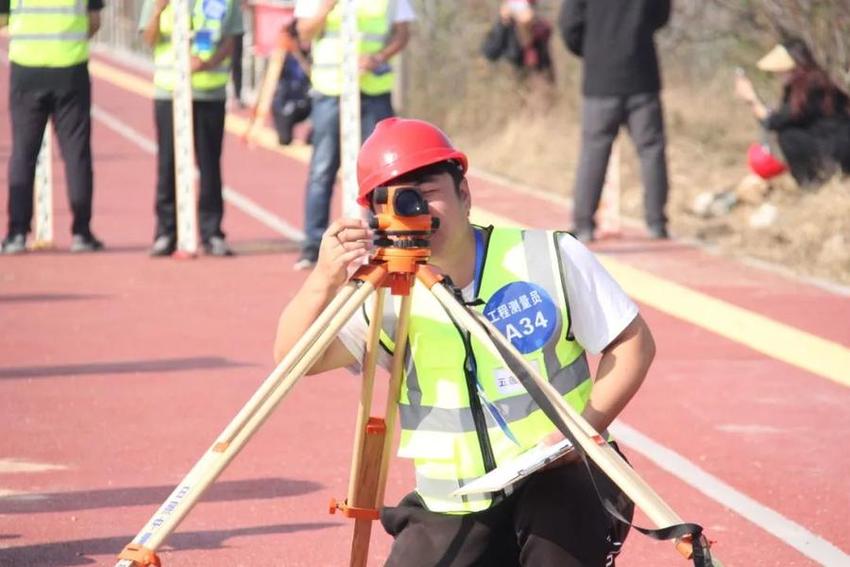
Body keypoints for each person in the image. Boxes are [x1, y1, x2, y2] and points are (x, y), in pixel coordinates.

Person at [273, 118, 655, 565]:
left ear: (464, 193)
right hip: (453, 503)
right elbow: (294, 361)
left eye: (425, 191)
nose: (413, 209)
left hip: (563, 477)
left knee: (559, 540)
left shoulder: (546, 256)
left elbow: (633, 343)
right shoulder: (385, 293)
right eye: (391, 199)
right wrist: (324, 278)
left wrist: (579, 432)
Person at [292, 0, 415, 270]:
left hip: (373, 90)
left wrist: (378, 58)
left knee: (384, 171)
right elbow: (304, 33)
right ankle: (313, 245)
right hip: (330, 91)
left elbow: (402, 33)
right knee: (322, 168)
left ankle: (385, 241)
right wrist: (325, 7)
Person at [560, 0, 672, 243]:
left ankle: (584, 224)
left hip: (601, 77)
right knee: (651, 150)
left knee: (594, 152)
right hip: (642, 74)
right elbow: (661, 15)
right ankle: (656, 222)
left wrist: (593, 49)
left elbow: (569, 26)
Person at [139, 0, 243, 257]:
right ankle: (166, 232)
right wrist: (158, 11)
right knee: (168, 163)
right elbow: (149, 40)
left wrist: (205, 63)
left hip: (209, 93)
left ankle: (212, 232)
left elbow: (231, 42)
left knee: (209, 165)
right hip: (170, 92)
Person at [1, 0, 105, 254]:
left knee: (23, 154)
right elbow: (94, 21)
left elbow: (2, 20)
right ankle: (81, 231)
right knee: (76, 153)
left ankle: (16, 233)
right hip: (70, 68)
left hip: (27, 68)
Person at [734, 38, 850, 187]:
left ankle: (812, 183)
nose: (778, 74)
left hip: (839, 147)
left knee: (788, 136)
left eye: (782, 70)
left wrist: (752, 100)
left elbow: (774, 122)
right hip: (834, 144)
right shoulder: (809, 84)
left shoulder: (811, 87)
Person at [481, 0, 553, 80]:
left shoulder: (541, 29)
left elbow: (543, 66)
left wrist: (528, 26)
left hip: (535, 81)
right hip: (509, 81)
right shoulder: (505, 26)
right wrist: (503, 24)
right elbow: (490, 53)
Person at [272, 19, 312, 146]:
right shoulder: (283, 54)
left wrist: (299, 53)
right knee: (285, 140)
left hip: (307, 103)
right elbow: (270, 81)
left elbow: (311, 74)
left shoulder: (313, 52)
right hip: (285, 104)